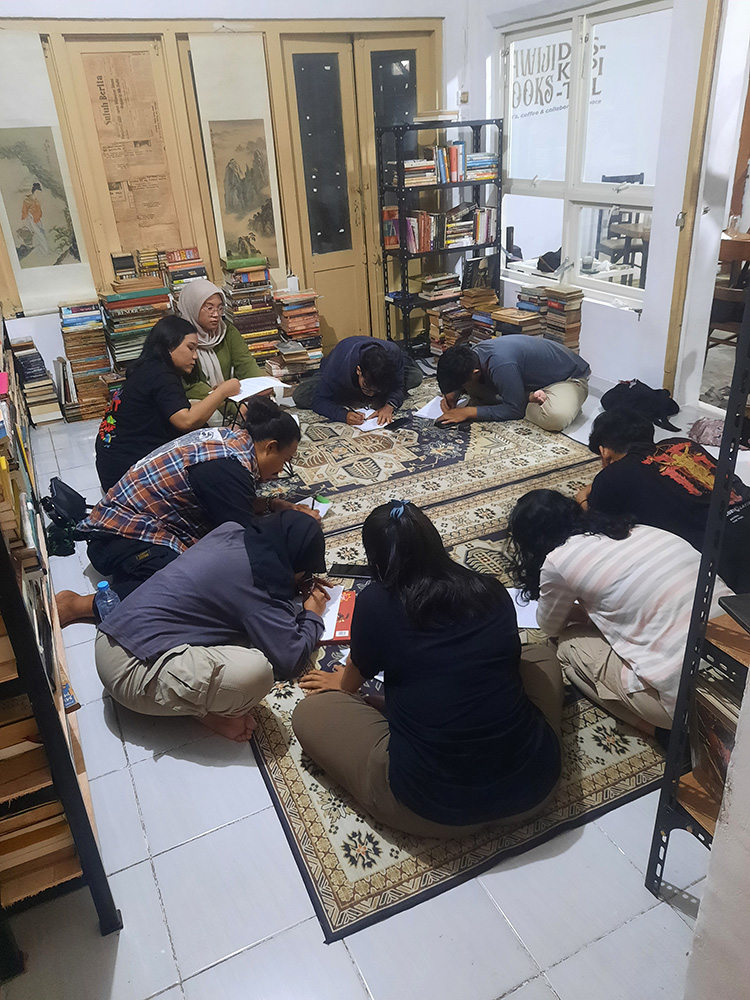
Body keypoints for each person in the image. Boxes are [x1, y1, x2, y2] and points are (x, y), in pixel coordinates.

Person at [293, 500, 563, 838]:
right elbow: (502, 668)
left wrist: (340, 684)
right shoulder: (490, 589)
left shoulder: (376, 602)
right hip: (534, 787)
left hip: (432, 808)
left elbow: (351, 682)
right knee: (541, 657)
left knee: (310, 712)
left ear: (374, 559)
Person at [56, 397, 318, 625]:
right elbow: (243, 546)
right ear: (270, 446)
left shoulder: (233, 440)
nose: (281, 471)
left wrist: (274, 504)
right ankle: (77, 605)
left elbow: (232, 502)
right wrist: (288, 574)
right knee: (188, 589)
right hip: (120, 538)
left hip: (123, 524)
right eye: (285, 460)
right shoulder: (228, 468)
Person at [506, 489, 733, 734]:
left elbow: (550, 626)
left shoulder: (557, 561)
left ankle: (658, 732)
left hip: (691, 704)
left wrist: (574, 610)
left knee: (567, 646)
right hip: (739, 663)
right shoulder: (641, 530)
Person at [95, 512, 329, 742]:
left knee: (243, 630)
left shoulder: (232, 531)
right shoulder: (260, 582)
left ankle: (194, 700)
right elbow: (289, 659)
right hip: (130, 672)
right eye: (303, 572)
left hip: (113, 633)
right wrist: (312, 615)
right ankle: (207, 713)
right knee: (257, 672)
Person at [577, 408, 750, 592]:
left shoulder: (611, 477)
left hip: (728, 568)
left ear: (604, 453)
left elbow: (600, 530)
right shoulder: (683, 443)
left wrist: (582, 500)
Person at [95, 315, 242, 492]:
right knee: (214, 469)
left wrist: (215, 397)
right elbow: (186, 421)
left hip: (112, 465)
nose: (195, 356)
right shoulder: (161, 375)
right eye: (190, 348)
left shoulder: (149, 368)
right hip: (126, 475)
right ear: (169, 346)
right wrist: (222, 392)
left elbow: (181, 409)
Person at [436, 336, 590, 431]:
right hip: (526, 379)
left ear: (475, 372)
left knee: (556, 418)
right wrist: (451, 395)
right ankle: (523, 396)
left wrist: (468, 412)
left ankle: (523, 399)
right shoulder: (472, 356)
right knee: (476, 390)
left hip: (569, 378)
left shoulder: (501, 364)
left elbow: (514, 411)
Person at [292, 336, 423, 426]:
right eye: (366, 388)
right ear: (359, 371)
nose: (371, 394)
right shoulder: (338, 366)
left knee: (415, 376)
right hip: (340, 376)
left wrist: (390, 406)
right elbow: (319, 400)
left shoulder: (393, 353)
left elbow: (398, 386)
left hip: (377, 374)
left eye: (376, 391)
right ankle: (354, 395)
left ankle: (361, 395)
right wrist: (342, 415)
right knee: (301, 395)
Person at [177, 278, 262, 401]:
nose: (216, 314)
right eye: (209, 308)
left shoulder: (226, 330)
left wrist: (260, 387)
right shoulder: (180, 337)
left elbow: (245, 363)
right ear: (193, 307)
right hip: (202, 401)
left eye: (220, 308)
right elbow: (192, 387)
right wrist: (227, 402)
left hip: (230, 394)